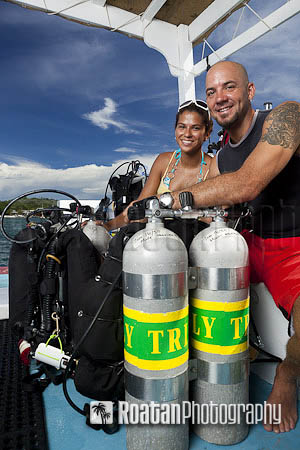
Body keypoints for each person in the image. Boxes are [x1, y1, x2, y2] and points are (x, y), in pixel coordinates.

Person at [166, 60, 300, 434]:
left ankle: (286, 379)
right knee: (174, 280)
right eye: (211, 92)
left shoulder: (286, 117)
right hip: (249, 244)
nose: (219, 98)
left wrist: (171, 199)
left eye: (229, 87)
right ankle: (190, 372)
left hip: (294, 248)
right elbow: (231, 205)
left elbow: (248, 184)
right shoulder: (222, 156)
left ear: (250, 90)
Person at [99, 100, 213, 232]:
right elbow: (137, 208)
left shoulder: (213, 166)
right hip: (156, 239)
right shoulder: (163, 161)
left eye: (195, 128)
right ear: (175, 130)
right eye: (182, 126)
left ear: (207, 134)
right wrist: (106, 227)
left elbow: (217, 217)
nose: (187, 134)